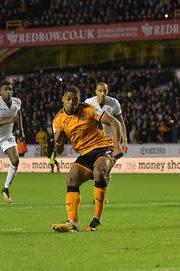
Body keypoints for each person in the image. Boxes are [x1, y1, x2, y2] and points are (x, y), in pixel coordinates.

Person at [50, 86, 123, 232]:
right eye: (68, 99)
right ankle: (72, 223)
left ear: (79, 100)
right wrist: (58, 142)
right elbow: (59, 150)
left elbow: (115, 123)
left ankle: (97, 219)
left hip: (104, 147)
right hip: (85, 154)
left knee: (99, 171)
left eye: (75, 100)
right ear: (63, 100)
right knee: (72, 178)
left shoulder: (88, 109)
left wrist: (117, 146)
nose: (72, 103)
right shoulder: (58, 120)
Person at [85, 82, 128, 203]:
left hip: (110, 142)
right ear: (96, 91)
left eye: (105, 91)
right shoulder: (89, 102)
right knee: (97, 171)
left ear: (108, 91)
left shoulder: (114, 103)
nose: (103, 93)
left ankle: (100, 197)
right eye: (100, 91)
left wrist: (124, 141)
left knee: (106, 169)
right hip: (94, 142)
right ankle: (100, 194)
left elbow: (121, 123)